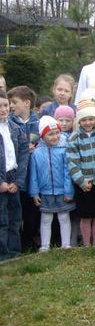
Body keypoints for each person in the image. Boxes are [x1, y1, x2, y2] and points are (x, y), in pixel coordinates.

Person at [29, 116, 75, 251]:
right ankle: (45, 245)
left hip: (62, 192)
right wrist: (34, 192)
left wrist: (69, 191)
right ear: (43, 136)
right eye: (51, 134)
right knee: (46, 219)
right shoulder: (37, 153)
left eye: (57, 133)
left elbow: (68, 172)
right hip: (45, 192)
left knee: (64, 217)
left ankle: (66, 244)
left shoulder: (64, 150)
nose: (55, 137)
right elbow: (34, 175)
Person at [67, 100, 95, 247]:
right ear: (79, 121)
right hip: (84, 184)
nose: (88, 122)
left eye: (91, 119)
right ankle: (86, 244)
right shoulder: (74, 137)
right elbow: (72, 161)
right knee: (85, 215)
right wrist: (81, 181)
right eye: (84, 120)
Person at [7, 86, 39, 251]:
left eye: (14, 102)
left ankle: (29, 240)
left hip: (34, 175)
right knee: (16, 212)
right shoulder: (9, 123)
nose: (11, 106)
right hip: (17, 177)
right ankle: (17, 243)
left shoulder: (38, 122)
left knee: (32, 212)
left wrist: (37, 147)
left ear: (26, 103)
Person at [0, 90, 29, 260]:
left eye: (5, 105)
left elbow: (23, 155)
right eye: (0, 106)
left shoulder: (15, 128)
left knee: (14, 217)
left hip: (13, 178)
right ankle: (2, 255)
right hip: (1, 179)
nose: (3, 109)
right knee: (1, 219)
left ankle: (14, 252)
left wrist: (18, 181)